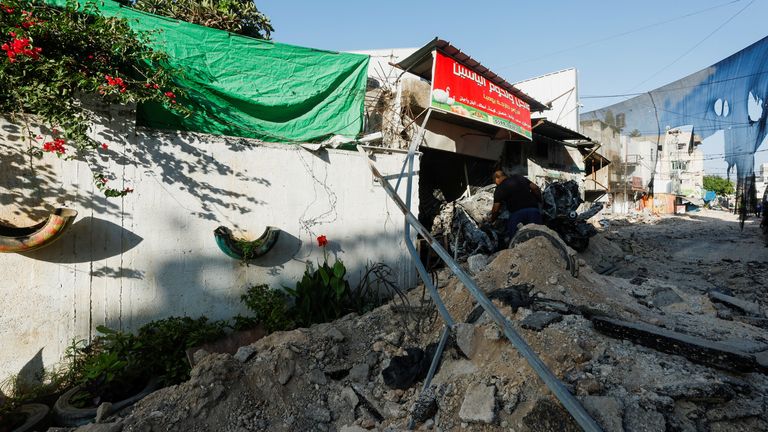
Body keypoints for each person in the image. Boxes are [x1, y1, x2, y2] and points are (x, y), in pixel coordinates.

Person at [489, 170, 543, 240]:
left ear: (497, 178)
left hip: (516, 215)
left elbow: (496, 209)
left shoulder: (499, 188)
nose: (495, 184)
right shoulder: (519, 177)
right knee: (539, 238)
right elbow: (535, 188)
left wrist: (492, 220)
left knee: (516, 241)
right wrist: (539, 200)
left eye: (494, 182)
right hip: (533, 211)